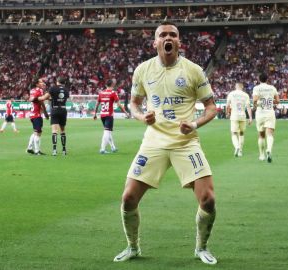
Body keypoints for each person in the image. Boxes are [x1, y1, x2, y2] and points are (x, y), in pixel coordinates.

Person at [113, 22, 218, 265]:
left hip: (185, 142)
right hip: (154, 141)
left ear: (179, 42)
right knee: (128, 198)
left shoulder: (193, 70)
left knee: (208, 199)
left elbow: (212, 107)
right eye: (163, 35)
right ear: (155, 42)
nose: (168, 38)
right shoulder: (143, 70)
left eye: (173, 34)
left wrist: (194, 124)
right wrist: (141, 116)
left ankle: (201, 247)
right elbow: (134, 104)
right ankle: (133, 246)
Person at [93, 79, 130, 154]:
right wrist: (126, 112)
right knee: (107, 131)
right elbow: (119, 104)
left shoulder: (101, 93)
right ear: (112, 85)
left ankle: (113, 147)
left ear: (106, 85)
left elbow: (97, 104)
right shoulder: (113, 93)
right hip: (109, 115)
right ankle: (102, 149)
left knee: (108, 131)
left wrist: (95, 114)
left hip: (102, 115)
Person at [37, 77, 70, 156]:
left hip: (55, 110)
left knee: (54, 131)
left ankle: (54, 150)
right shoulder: (66, 89)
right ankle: (64, 150)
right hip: (63, 110)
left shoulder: (53, 88)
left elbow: (43, 98)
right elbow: (62, 98)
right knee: (62, 130)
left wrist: (36, 98)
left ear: (57, 81)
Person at [252, 73, 279, 163]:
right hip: (270, 112)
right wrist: (270, 101)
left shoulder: (256, 88)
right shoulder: (272, 88)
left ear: (259, 79)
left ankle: (262, 155)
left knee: (261, 135)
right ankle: (269, 150)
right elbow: (277, 101)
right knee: (270, 134)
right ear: (267, 79)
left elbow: (255, 99)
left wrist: (255, 106)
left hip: (260, 113)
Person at [226, 82, 253, 157]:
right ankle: (240, 151)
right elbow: (248, 107)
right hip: (242, 116)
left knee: (234, 133)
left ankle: (237, 147)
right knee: (241, 133)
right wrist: (250, 117)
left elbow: (227, 105)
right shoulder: (245, 95)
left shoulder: (231, 94)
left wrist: (227, 113)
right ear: (242, 87)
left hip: (234, 116)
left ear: (236, 86)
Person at [26, 78, 49, 155]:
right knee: (38, 133)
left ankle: (29, 148)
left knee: (35, 132)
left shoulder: (32, 90)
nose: (43, 83)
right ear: (37, 84)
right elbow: (41, 102)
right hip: (37, 115)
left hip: (32, 114)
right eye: (41, 82)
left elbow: (33, 99)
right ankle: (37, 151)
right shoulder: (40, 90)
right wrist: (45, 112)